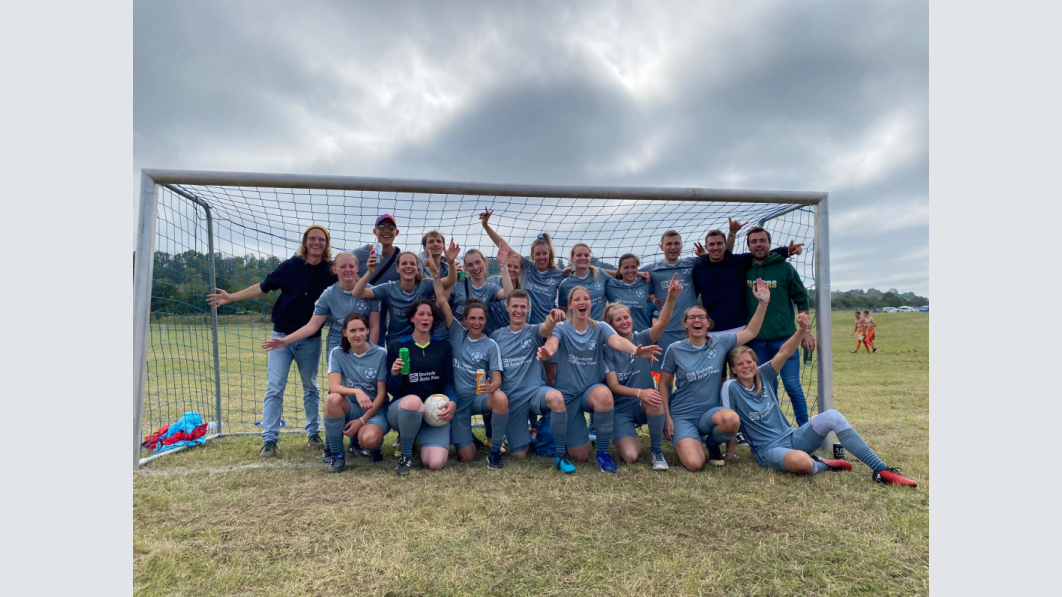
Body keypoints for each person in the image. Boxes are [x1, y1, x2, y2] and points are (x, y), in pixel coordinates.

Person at [722, 313, 917, 486]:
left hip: (793, 436)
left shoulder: (764, 374)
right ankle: (822, 464)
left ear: (756, 363)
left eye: (750, 362)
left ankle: (881, 470)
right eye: (740, 364)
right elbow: (730, 421)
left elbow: (784, 352)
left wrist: (802, 329)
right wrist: (730, 453)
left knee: (833, 416)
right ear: (733, 370)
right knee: (803, 464)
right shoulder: (731, 387)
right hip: (769, 450)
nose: (746, 366)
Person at [207, 225, 337, 459]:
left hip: (310, 340)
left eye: (321, 239)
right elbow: (262, 288)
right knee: (275, 388)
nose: (316, 243)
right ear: (305, 242)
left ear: (326, 244)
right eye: (312, 239)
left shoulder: (331, 271)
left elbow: (350, 282)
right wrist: (231, 297)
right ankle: (269, 440)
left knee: (311, 388)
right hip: (280, 338)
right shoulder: (289, 267)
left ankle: (313, 433)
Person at [260, 250, 382, 460]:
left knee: (364, 387)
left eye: (351, 266)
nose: (347, 270)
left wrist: (373, 352)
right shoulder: (328, 294)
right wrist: (285, 340)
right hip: (339, 345)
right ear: (334, 270)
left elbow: (375, 325)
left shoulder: (370, 291)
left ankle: (355, 442)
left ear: (357, 268)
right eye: (342, 266)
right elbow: (312, 325)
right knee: (339, 392)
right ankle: (333, 443)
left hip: (365, 345)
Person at [537, 286, 661, 473]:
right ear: (570, 305)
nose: (582, 302)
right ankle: (565, 449)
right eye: (577, 299)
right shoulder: (562, 328)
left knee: (604, 394)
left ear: (590, 303)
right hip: (569, 396)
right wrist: (548, 352)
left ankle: (603, 453)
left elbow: (617, 341)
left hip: (591, 392)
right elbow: (552, 342)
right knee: (581, 455)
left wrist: (636, 350)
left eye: (585, 298)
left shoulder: (600, 327)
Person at [659, 280, 771, 472]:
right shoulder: (675, 349)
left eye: (701, 317)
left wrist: (763, 304)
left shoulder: (720, 342)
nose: (697, 321)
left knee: (732, 420)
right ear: (685, 323)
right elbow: (664, 384)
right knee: (694, 464)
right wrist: (666, 417)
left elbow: (751, 332)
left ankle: (712, 443)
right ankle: (686, 439)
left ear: (708, 323)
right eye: (692, 317)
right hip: (682, 415)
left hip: (710, 414)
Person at [602, 274, 681, 470]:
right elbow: (613, 386)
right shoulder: (607, 348)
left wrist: (671, 298)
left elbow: (661, 323)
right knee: (630, 456)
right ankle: (623, 432)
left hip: (644, 403)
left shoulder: (643, 338)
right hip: (621, 409)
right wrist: (639, 392)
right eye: (618, 320)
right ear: (611, 326)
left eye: (626, 317)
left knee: (654, 398)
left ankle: (656, 450)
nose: (624, 322)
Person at [431, 272, 509, 469]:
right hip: (458, 402)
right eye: (472, 318)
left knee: (500, 398)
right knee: (466, 457)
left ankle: (495, 451)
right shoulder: (457, 333)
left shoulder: (491, 345)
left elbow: (497, 379)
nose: (476, 322)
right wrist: (434, 273)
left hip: (478, 398)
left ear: (485, 320)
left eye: (480, 319)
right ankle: (468, 440)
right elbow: (441, 299)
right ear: (464, 320)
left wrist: (492, 387)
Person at [745, 226, 816, 426]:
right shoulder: (745, 268)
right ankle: (776, 429)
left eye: (762, 240)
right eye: (753, 241)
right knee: (766, 387)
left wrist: (807, 332)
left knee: (792, 385)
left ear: (769, 243)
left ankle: (805, 428)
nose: (758, 244)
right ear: (749, 246)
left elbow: (801, 299)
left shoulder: (785, 268)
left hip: (785, 339)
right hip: (757, 342)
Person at [490, 290, 569, 462]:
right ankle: (530, 436)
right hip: (513, 399)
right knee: (519, 456)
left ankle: (561, 452)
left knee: (556, 397)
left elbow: (546, 327)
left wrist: (552, 317)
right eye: (515, 306)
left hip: (535, 393)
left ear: (528, 309)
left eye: (522, 307)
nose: (519, 310)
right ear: (507, 308)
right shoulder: (497, 336)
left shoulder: (533, 332)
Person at [385, 299, 457, 475]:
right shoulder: (398, 346)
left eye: (430, 314)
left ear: (434, 320)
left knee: (435, 463)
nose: (426, 318)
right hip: (404, 409)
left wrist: (453, 401)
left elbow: (448, 382)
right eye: (421, 314)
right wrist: (394, 375)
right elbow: (392, 390)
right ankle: (406, 455)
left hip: (433, 411)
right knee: (413, 402)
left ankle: (415, 437)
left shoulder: (443, 346)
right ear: (412, 318)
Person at [691, 219, 799, 334]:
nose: (715, 247)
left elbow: (763, 253)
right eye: (711, 244)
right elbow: (693, 295)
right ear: (706, 247)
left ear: (725, 245)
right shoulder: (699, 269)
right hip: (711, 330)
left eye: (719, 244)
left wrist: (788, 251)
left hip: (740, 328)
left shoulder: (738, 262)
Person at [351, 243, 459, 347]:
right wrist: (370, 272)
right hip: (397, 339)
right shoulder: (389, 288)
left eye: (412, 264)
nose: (408, 266)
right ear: (397, 269)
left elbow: (450, 280)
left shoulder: (425, 284)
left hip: (421, 337)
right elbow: (357, 292)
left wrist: (450, 262)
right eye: (404, 263)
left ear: (417, 269)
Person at [322, 313, 389, 472]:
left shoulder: (381, 354)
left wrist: (362, 420)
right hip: (352, 408)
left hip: (375, 411)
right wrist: (356, 391)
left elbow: (381, 394)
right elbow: (334, 386)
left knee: (369, 439)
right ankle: (337, 455)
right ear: (344, 332)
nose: (357, 334)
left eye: (361, 330)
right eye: (352, 330)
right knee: (332, 400)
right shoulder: (337, 353)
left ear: (367, 331)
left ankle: (375, 447)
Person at [640, 230, 701, 373]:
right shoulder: (652, 269)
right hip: (665, 331)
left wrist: (704, 255)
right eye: (669, 244)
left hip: (690, 329)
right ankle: (663, 396)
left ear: (681, 246)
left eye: (676, 244)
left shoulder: (692, 263)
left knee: (692, 372)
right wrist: (652, 300)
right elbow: (626, 274)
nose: (673, 247)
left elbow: (716, 262)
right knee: (664, 373)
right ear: (661, 247)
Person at [605, 254, 656, 334]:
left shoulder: (645, 282)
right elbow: (597, 272)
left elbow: (662, 291)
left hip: (642, 334)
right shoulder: (610, 285)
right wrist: (638, 274)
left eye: (633, 267)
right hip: (619, 337)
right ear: (620, 269)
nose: (630, 270)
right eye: (626, 267)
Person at [558, 243, 611, 321]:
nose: (583, 258)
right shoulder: (565, 284)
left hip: (601, 328)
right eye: (579, 255)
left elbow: (620, 277)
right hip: (580, 330)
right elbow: (562, 313)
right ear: (572, 258)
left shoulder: (600, 273)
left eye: (586, 255)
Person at [485, 251, 523, 337]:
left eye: (516, 267)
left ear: (521, 271)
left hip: (510, 339)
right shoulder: (493, 281)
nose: (512, 269)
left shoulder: (522, 294)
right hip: (489, 337)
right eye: (509, 266)